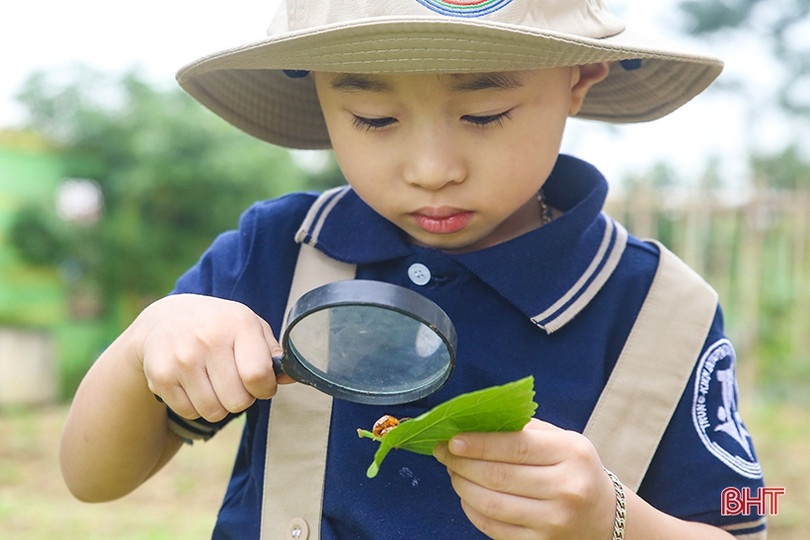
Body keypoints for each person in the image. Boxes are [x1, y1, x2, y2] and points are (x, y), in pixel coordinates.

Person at [59, 1, 768, 538]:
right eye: (374, 117)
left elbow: (749, 512)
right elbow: (91, 478)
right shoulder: (277, 252)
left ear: (580, 79)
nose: (432, 171)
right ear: (318, 93)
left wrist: (618, 521)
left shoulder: (659, 310)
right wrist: (145, 341)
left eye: (485, 114)